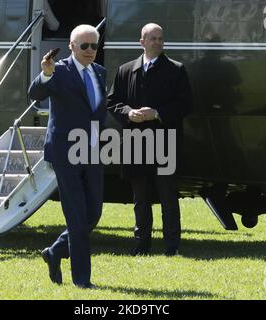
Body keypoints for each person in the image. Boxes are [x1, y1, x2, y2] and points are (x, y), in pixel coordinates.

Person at [28, 24, 106, 288]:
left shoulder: (100, 72)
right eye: (84, 46)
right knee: (76, 216)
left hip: (93, 152)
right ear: (72, 46)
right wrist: (45, 75)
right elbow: (34, 94)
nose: (90, 50)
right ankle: (82, 280)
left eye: (94, 45)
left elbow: (96, 113)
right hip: (65, 153)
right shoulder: (58, 71)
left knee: (93, 213)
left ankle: (54, 252)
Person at [107, 23, 193, 256]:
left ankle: (172, 246)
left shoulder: (176, 70)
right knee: (140, 199)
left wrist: (157, 113)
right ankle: (141, 244)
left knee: (168, 197)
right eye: (152, 38)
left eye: (160, 38)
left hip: (165, 142)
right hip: (135, 142)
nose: (157, 42)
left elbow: (186, 105)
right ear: (141, 41)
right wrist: (128, 113)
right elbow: (113, 102)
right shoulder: (126, 70)